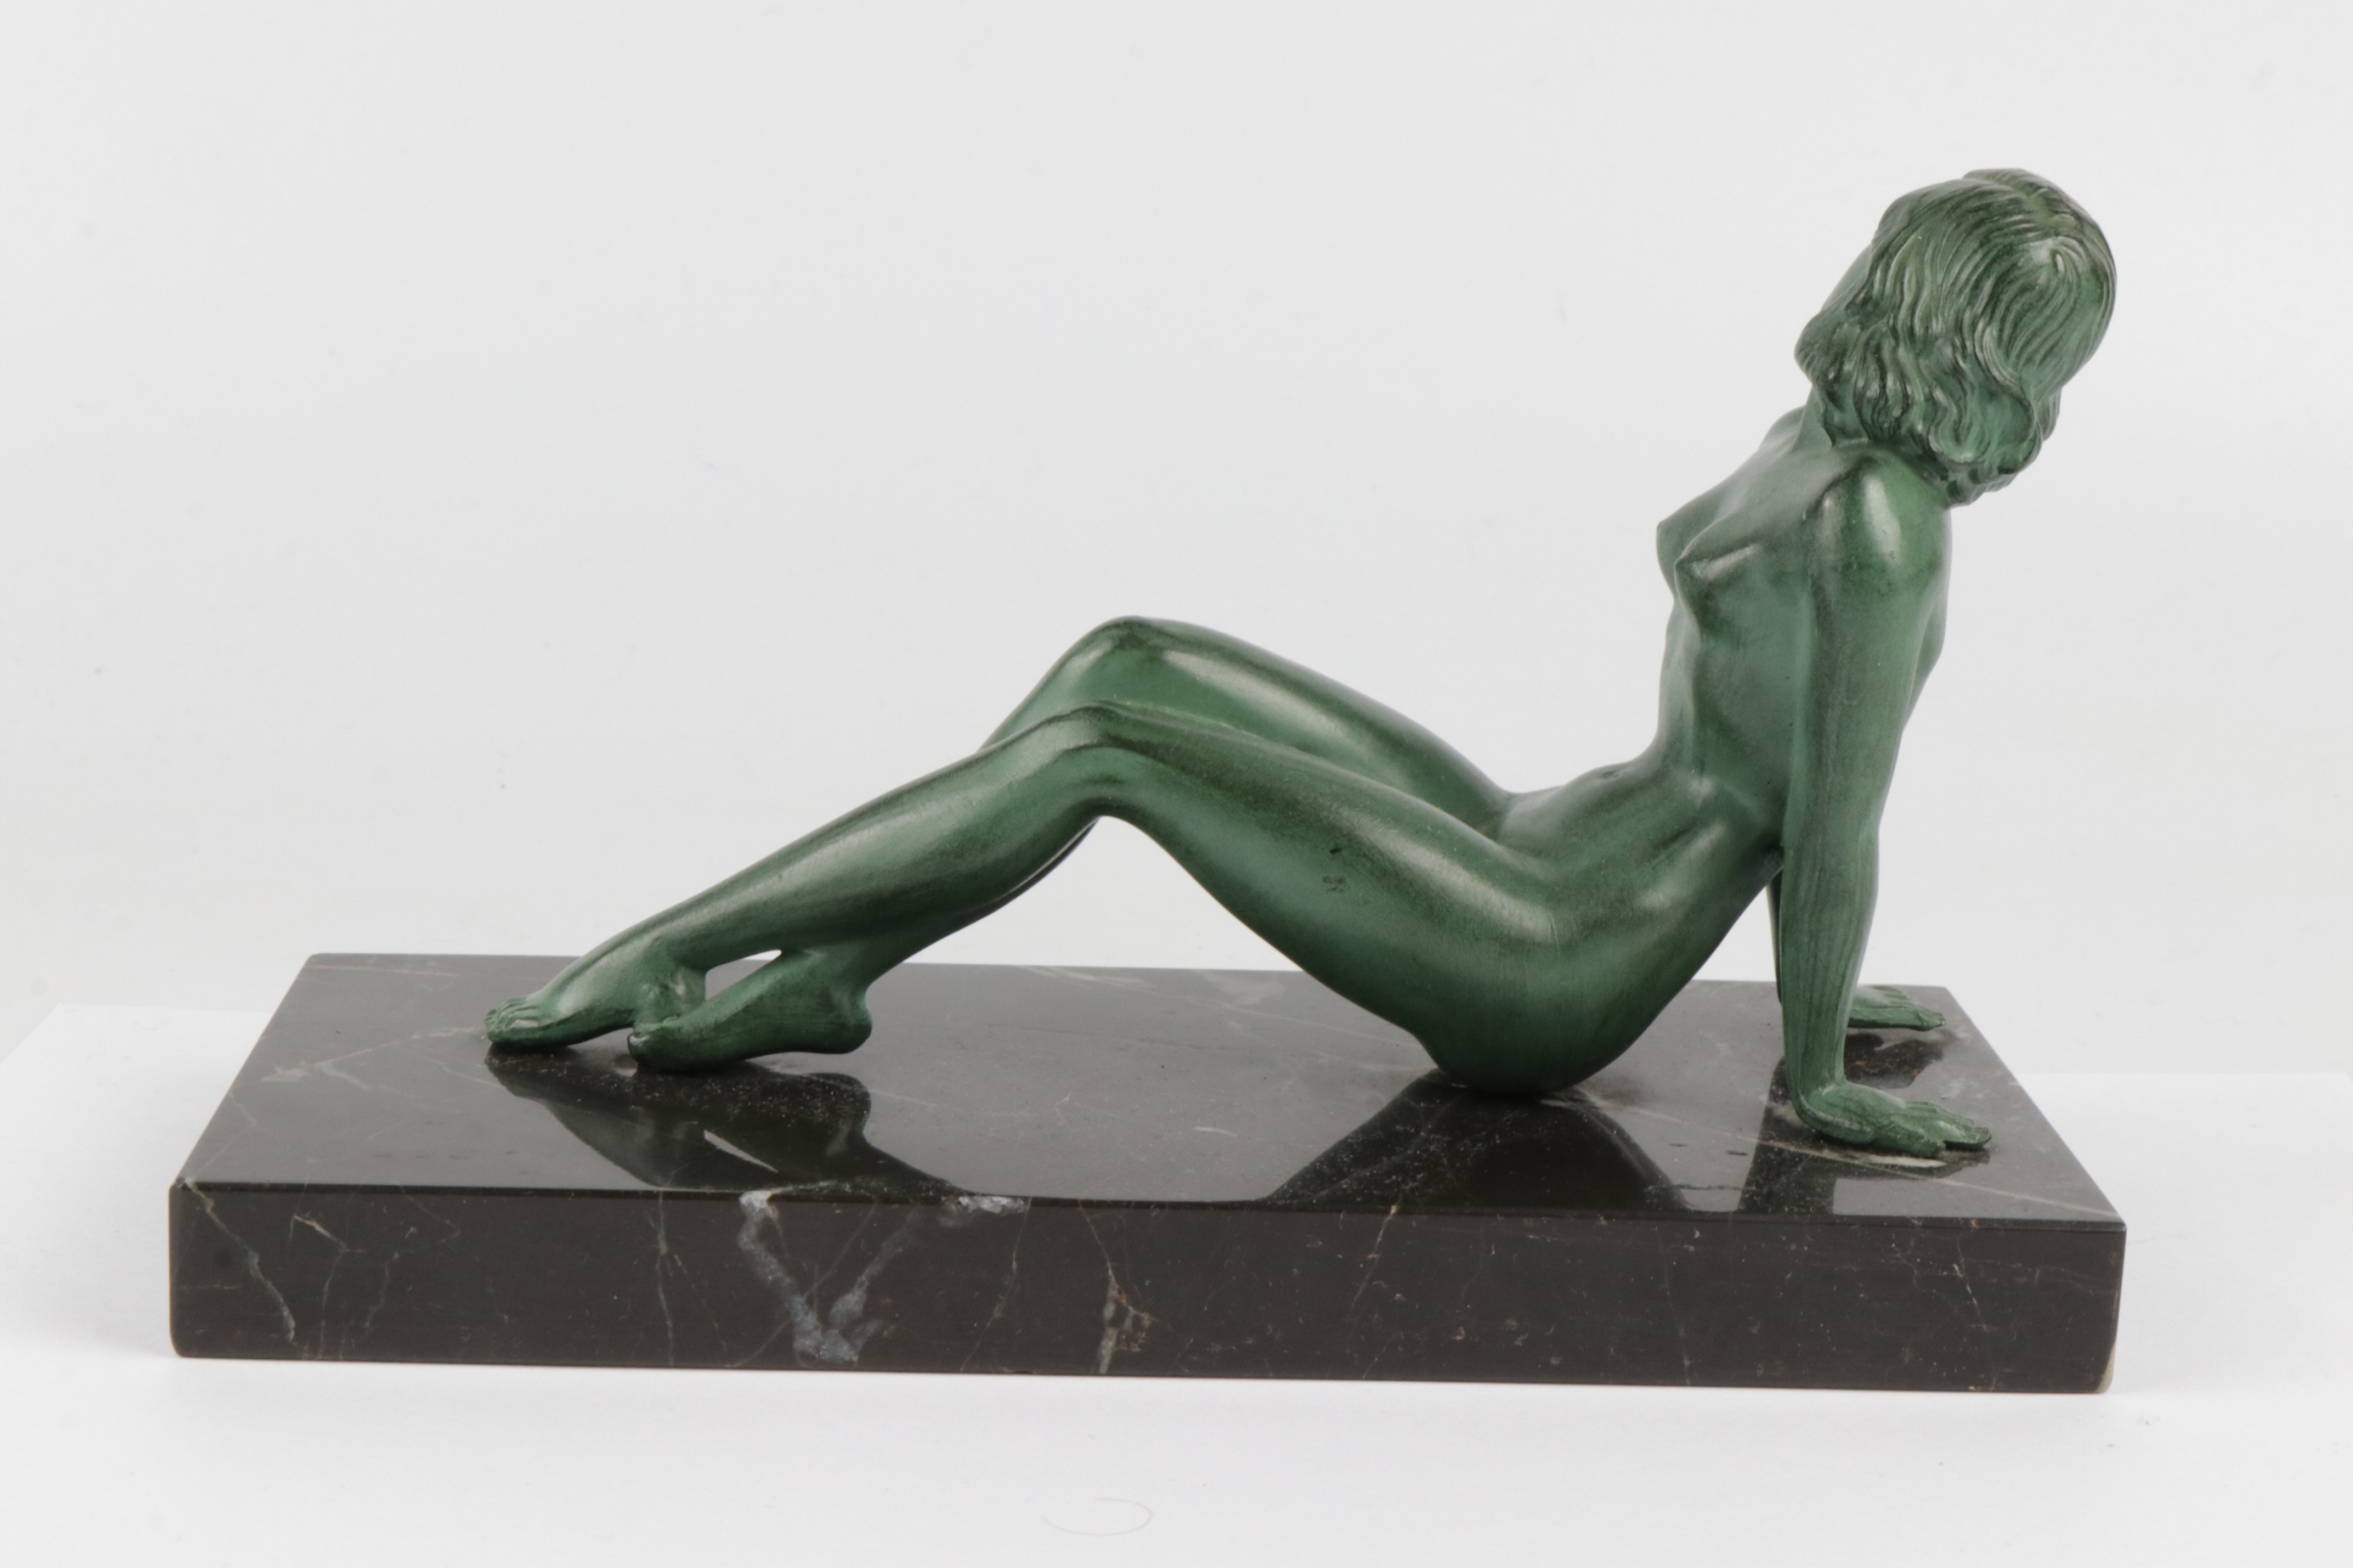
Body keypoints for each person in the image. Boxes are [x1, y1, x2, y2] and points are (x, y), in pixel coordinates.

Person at [489, 169, 2114, 1157]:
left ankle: (663, 946)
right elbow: (1778, 773)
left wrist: (1819, 1062)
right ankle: (834, 972)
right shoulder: (1815, 437)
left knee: (1103, 750)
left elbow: (1832, 814)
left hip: (1557, 953)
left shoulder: (1883, 519)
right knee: (1130, 656)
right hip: (1531, 832)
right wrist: (1826, 979)